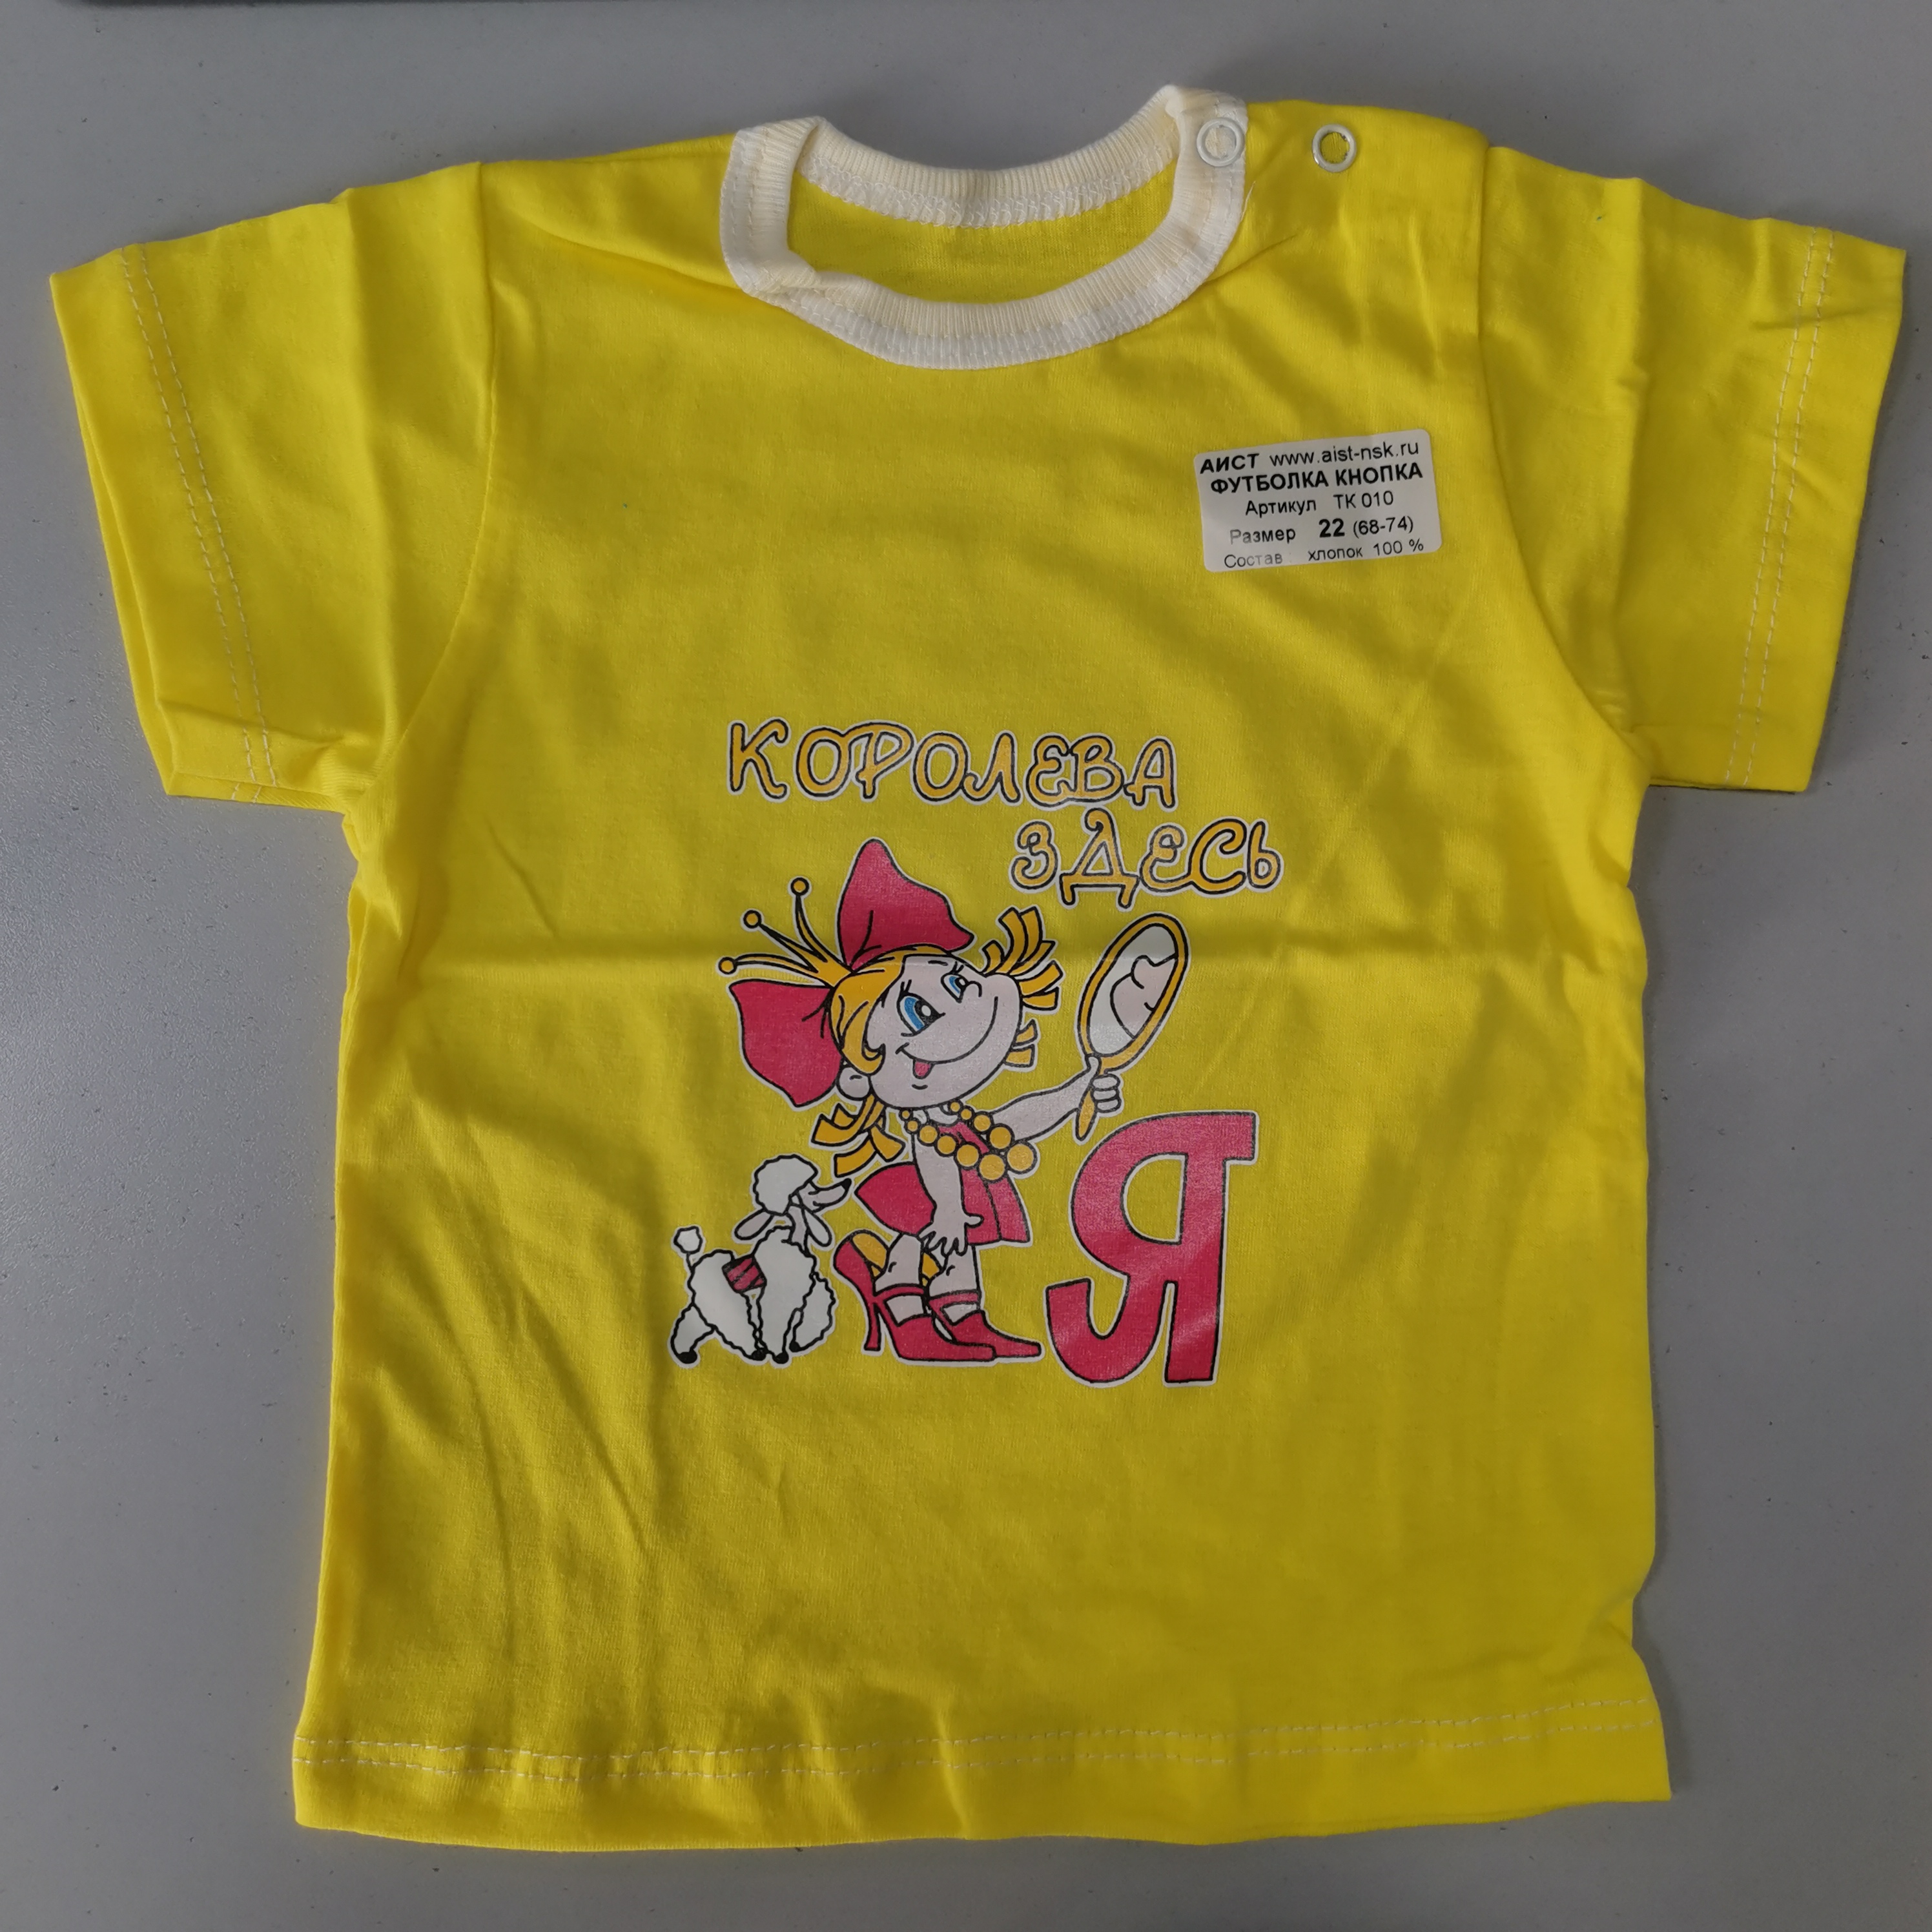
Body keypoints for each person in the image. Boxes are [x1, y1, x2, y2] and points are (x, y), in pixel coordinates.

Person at [722, 838, 1121, 1362]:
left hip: (957, 1181)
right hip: (929, 1187)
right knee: (929, 1234)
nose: (967, 1000)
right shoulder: (926, 1125)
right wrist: (949, 1208)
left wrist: (1075, 1093)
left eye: (955, 979)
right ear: (861, 1073)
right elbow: (934, 1155)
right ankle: (905, 1309)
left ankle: (961, 1316)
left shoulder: (954, 1116)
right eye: (918, 1013)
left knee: (954, 1246)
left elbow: (1010, 1122)